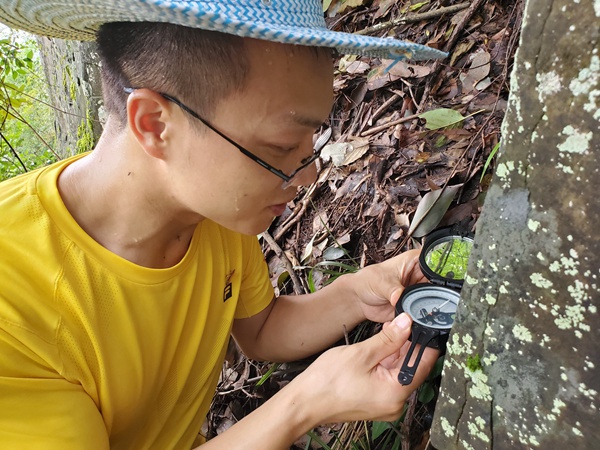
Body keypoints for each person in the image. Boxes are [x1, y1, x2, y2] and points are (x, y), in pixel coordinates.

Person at [0, 1, 447, 448]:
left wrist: (357, 290)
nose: (308, 174)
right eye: (281, 145)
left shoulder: (211, 206)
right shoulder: (15, 303)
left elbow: (261, 327)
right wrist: (304, 403)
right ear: (155, 125)